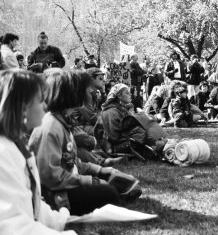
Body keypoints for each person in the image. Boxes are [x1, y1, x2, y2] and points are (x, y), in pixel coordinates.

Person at [29, 70, 142, 216]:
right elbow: (50, 176)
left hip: (67, 182)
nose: (86, 92)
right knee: (108, 192)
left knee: (117, 181)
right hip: (56, 195)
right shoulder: (51, 127)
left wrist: (99, 171)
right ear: (70, 94)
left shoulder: (63, 120)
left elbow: (71, 162)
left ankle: (117, 194)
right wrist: (90, 181)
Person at [0, 69, 81, 235]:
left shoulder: (15, 146)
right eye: (40, 100)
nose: (45, 105)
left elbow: (31, 202)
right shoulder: (3, 154)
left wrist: (62, 221)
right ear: (23, 108)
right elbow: (11, 228)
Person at [101, 84, 168, 155]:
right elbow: (115, 136)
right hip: (120, 145)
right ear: (119, 96)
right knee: (142, 132)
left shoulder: (121, 108)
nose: (130, 94)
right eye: (127, 93)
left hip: (128, 141)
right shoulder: (112, 111)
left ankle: (160, 144)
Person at [77, 67, 107, 135]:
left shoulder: (94, 91)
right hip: (79, 126)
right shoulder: (84, 91)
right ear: (91, 79)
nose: (104, 81)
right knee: (107, 132)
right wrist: (108, 123)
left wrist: (103, 94)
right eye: (100, 78)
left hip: (87, 124)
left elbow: (102, 107)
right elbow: (91, 117)